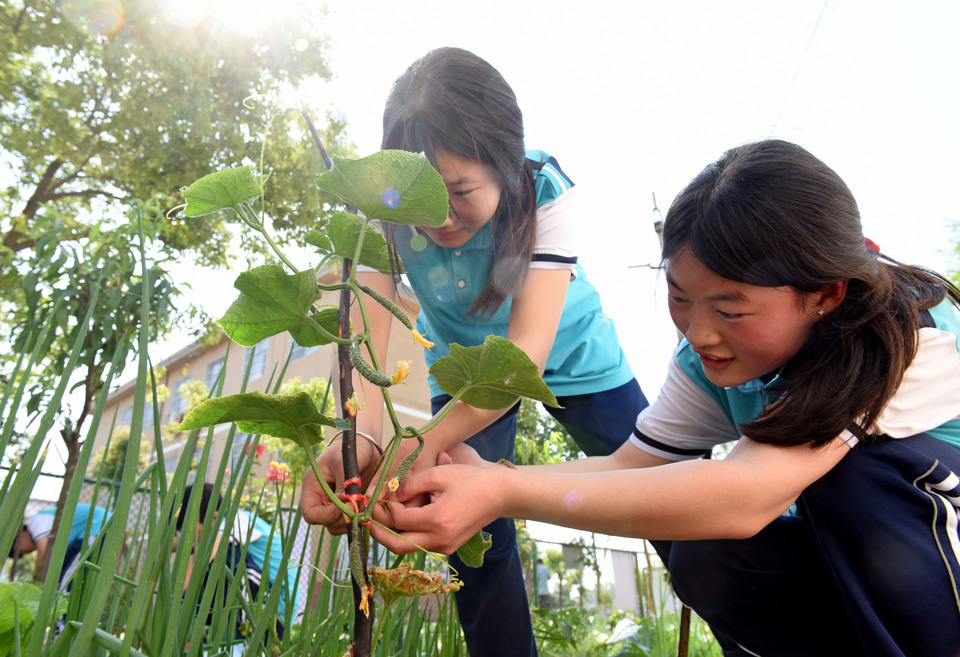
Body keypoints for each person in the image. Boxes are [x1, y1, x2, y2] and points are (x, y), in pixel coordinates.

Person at [368, 139, 960, 657]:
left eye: (731, 310)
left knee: (855, 485)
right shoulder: (708, 364)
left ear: (826, 295)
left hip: (930, 551)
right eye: (680, 298)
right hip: (853, 572)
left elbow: (746, 495)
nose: (699, 332)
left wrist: (503, 490)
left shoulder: (900, 333)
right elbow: (628, 467)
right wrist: (494, 482)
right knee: (705, 556)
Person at [300, 47, 648, 656]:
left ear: (506, 163)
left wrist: (423, 442)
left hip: (571, 359)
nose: (438, 218)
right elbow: (366, 351)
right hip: (463, 377)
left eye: (460, 191)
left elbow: (522, 361)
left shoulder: (544, 188)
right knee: (470, 528)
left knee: (658, 485)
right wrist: (358, 444)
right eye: (422, 200)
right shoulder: (380, 208)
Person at [175, 483, 292, 645]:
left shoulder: (236, 520)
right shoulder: (216, 527)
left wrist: (171, 601)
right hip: (257, 600)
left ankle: (234, 638)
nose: (189, 536)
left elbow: (199, 560)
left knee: (214, 555)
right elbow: (179, 542)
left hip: (274, 607)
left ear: (214, 517)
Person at [10, 503, 110, 586]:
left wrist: (36, 584)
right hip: (99, 529)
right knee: (75, 578)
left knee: (65, 581)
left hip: (97, 528)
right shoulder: (44, 526)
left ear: (19, 537)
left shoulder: (35, 521)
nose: (25, 552)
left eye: (19, 551)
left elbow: (45, 553)